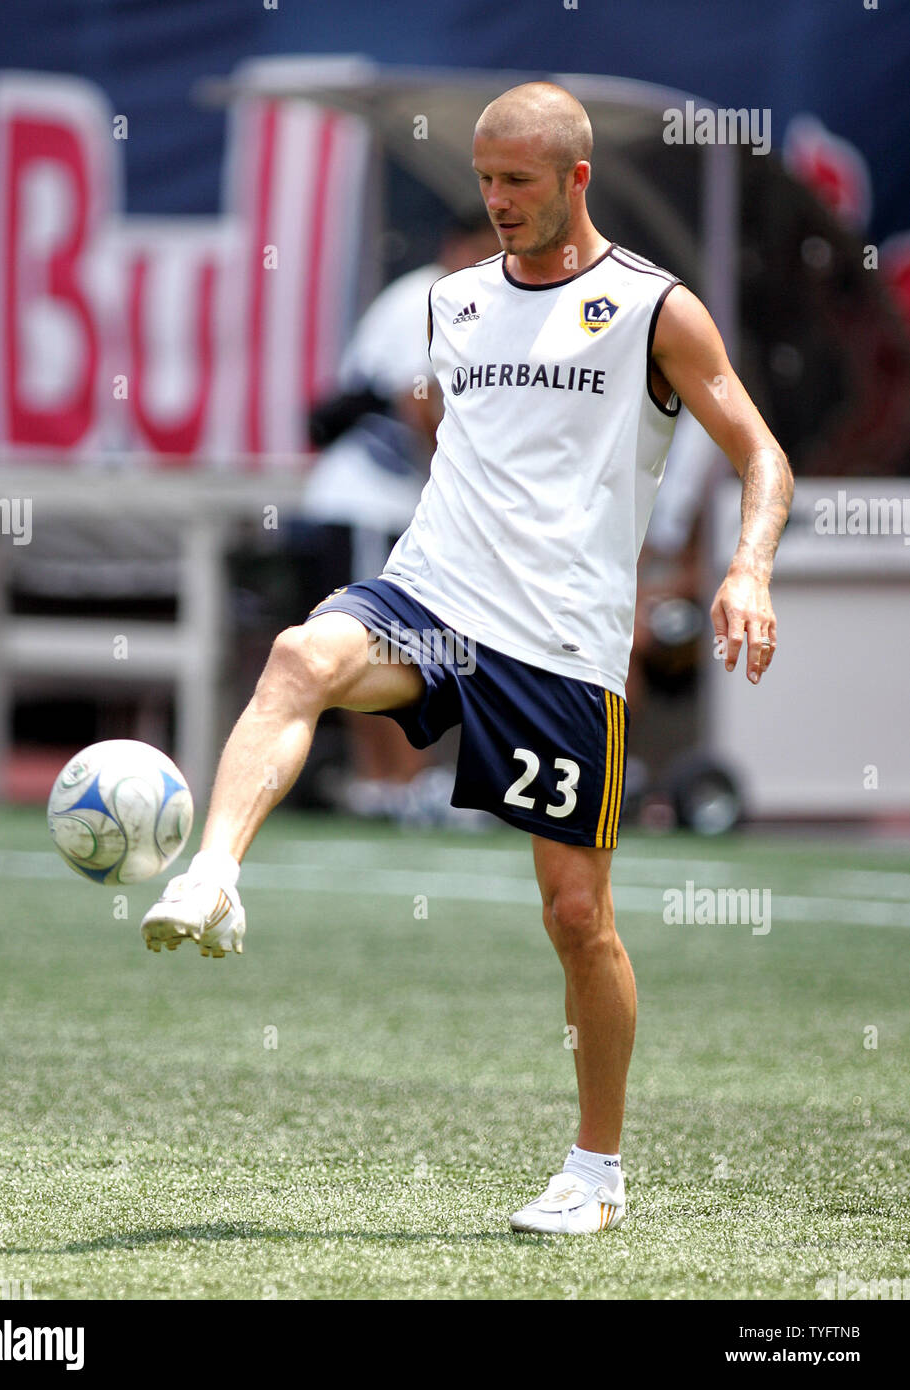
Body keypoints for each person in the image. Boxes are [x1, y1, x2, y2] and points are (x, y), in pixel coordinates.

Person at [141, 83, 794, 1236]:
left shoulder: (654, 310)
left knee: (575, 913)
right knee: (299, 654)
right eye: (482, 180)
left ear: (574, 179)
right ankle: (214, 875)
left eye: (516, 183)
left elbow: (760, 455)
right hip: (433, 594)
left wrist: (744, 568)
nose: (493, 201)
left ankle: (594, 1173)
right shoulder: (449, 304)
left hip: (557, 643)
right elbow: (469, 444)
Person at [298, 212, 500, 824]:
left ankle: (390, 784)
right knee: (377, 640)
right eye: (484, 250)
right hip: (364, 502)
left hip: (386, 506)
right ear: (455, 245)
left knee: (399, 642)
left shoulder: (468, 303)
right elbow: (418, 401)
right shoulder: (430, 297)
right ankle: (394, 783)